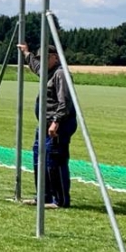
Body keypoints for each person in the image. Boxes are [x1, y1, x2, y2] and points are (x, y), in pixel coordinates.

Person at [17, 43, 77, 208]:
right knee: (39, 157)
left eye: (45, 58)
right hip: (45, 124)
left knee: (54, 160)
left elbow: (65, 102)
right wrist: (26, 53)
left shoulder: (61, 74)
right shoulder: (46, 71)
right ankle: (43, 197)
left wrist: (56, 122)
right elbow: (35, 66)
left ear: (55, 57)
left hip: (58, 125)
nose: (41, 62)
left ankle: (60, 200)